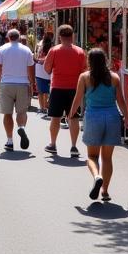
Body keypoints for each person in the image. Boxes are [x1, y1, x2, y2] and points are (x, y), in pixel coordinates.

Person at [69, 48, 128, 202]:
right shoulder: (114, 78)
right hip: (112, 117)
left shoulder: (85, 77)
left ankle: (97, 176)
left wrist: (71, 114)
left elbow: (77, 98)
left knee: (91, 156)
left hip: (93, 117)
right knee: (107, 158)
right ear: (105, 60)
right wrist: (127, 118)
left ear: (89, 61)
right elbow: (121, 101)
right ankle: (105, 191)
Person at [43, 25, 88, 158]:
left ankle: (52, 144)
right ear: (72, 36)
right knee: (73, 117)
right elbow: (84, 71)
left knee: (55, 118)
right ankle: (74, 146)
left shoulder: (54, 50)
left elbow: (47, 69)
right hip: (74, 89)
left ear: (59, 37)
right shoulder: (80, 52)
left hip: (57, 87)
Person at [0, 28, 35, 151]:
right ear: (19, 37)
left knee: (7, 113)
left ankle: (9, 140)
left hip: (6, 84)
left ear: (8, 37)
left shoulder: (2, 49)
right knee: (22, 112)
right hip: (22, 83)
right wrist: (31, 84)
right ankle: (21, 127)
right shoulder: (26, 50)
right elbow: (30, 68)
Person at [34, 31, 53, 118]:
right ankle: (46, 107)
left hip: (39, 69)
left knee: (40, 91)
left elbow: (35, 56)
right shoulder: (53, 47)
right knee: (46, 91)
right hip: (48, 70)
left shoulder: (38, 45)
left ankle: (42, 108)